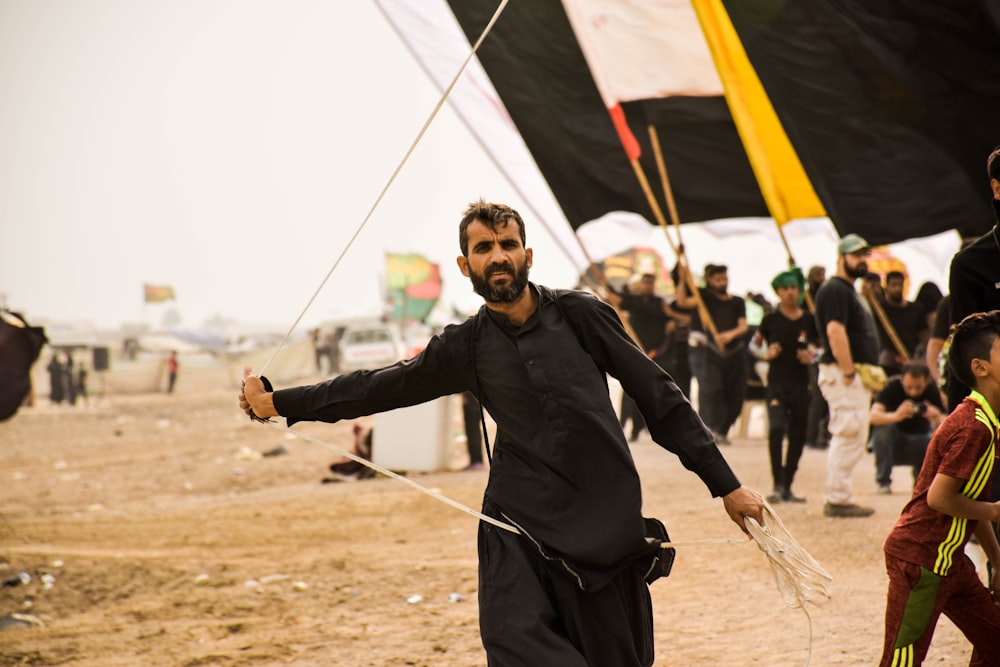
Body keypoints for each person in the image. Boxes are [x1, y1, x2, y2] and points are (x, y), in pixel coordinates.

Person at [239, 200, 765, 666]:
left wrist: (726, 484)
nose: (498, 256)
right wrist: (280, 403)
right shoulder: (464, 346)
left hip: (605, 524)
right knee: (516, 642)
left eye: (508, 244)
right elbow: (377, 387)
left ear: (527, 256)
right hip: (518, 527)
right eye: (484, 247)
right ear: (466, 266)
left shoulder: (582, 315)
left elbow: (660, 397)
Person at [878, 310, 1000, 667]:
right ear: (981, 368)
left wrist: (995, 557)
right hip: (921, 561)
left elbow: (967, 501)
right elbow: (941, 498)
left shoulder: (988, 422)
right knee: (900, 661)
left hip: (951, 563)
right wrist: (994, 511)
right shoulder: (973, 426)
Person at [813, 233, 881, 518]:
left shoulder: (848, 290)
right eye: (857, 255)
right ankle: (838, 498)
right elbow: (834, 331)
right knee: (848, 431)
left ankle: (840, 495)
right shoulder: (836, 289)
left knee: (852, 431)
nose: (862, 260)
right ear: (841, 258)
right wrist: (849, 371)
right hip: (843, 373)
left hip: (850, 373)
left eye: (865, 255)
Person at [751, 268, 818, 504]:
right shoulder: (770, 319)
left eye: (794, 288)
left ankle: (788, 484)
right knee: (776, 429)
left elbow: (821, 348)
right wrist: (765, 353)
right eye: (785, 289)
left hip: (801, 385)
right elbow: (754, 344)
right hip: (777, 384)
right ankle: (777, 484)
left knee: (798, 435)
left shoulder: (809, 319)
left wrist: (811, 356)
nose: (790, 293)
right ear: (778, 292)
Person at [675, 263, 749, 445]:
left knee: (736, 394)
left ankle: (722, 430)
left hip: (734, 353)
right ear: (710, 281)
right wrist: (683, 278)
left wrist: (729, 335)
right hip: (710, 353)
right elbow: (682, 301)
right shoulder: (703, 299)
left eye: (724, 278)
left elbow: (743, 325)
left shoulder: (737, 302)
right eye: (718, 279)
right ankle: (709, 430)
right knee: (712, 390)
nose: (722, 282)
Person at [607, 270, 673, 441]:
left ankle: (638, 429)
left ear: (654, 285)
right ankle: (621, 425)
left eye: (650, 283)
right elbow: (615, 298)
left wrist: (656, 351)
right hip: (634, 351)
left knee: (646, 393)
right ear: (641, 284)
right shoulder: (633, 300)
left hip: (655, 354)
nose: (647, 286)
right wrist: (605, 284)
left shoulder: (660, 304)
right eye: (645, 283)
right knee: (628, 392)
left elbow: (668, 329)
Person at [868, 361, 944, 495]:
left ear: (926, 381)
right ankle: (883, 482)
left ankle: (920, 484)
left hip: (920, 443)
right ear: (902, 380)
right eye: (909, 387)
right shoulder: (891, 386)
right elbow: (872, 417)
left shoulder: (932, 391)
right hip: (892, 444)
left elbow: (953, 421)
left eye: (918, 387)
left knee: (937, 437)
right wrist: (896, 416)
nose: (913, 392)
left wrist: (937, 417)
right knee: (883, 429)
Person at [874, 271, 928, 377]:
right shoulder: (879, 309)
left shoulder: (916, 309)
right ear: (887, 287)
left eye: (900, 285)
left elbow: (924, 336)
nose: (897, 289)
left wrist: (920, 357)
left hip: (911, 361)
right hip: (887, 362)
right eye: (893, 285)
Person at [462, 391, 484, 470]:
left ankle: (476, 461)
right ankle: (476, 461)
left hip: (472, 404)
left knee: (473, 430)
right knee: (473, 430)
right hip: (475, 402)